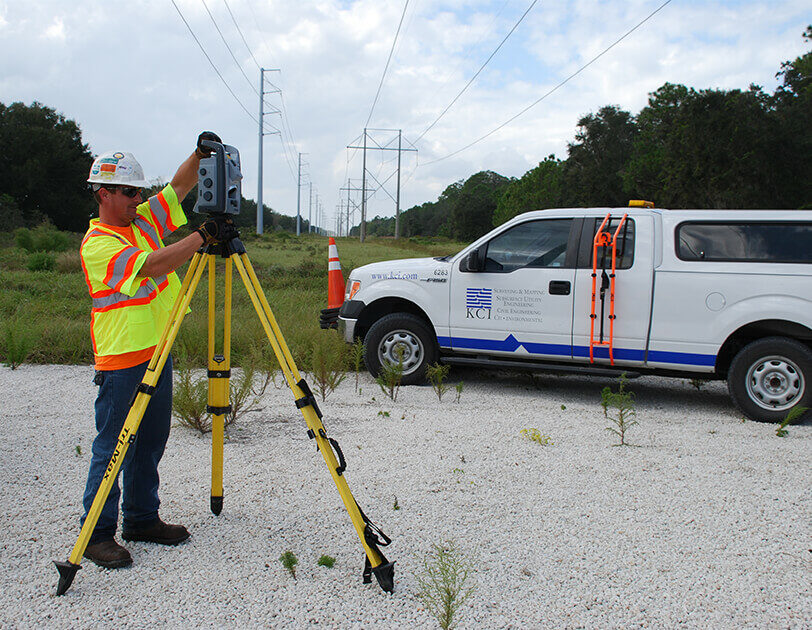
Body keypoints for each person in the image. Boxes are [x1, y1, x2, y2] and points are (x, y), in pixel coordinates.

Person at [79, 132, 235, 568]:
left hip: (156, 351)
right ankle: (95, 534)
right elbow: (154, 265)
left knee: (150, 440)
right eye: (128, 192)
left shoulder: (142, 220)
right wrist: (201, 237)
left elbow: (180, 189)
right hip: (122, 359)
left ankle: (142, 518)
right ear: (103, 193)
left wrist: (200, 155)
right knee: (114, 446)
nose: (137, 198)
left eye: (139, 191)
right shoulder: (99, 244)